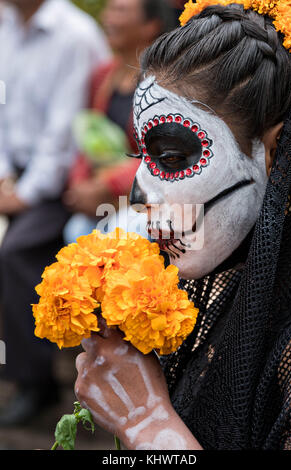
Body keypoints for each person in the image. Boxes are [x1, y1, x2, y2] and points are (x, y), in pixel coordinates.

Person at [74, 1, 291, 450]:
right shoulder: (214, 286)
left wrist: (148, 422)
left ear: (274, 152)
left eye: (173, 157)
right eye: (141, 155)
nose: (140, 193)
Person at [0, 0, 111, 426]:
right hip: (17, 173)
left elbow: (65, 131)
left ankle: (35, 382)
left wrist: (25, 194)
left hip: (65, 179)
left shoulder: (73, 34)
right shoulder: (8, 24)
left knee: (17, 250)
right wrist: (6, 177)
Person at [63, 0, 178, 242]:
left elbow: (164, 153)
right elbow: (88, 133)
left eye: (120, 11)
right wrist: (79, 184)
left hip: (147, 194)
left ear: (150, 26)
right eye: (110, 9)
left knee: (121, 230)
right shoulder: (103, 76)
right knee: (76, 231)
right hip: (104, 194)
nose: (108, 18)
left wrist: (110, 185)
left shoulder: (165, 83)